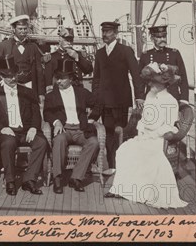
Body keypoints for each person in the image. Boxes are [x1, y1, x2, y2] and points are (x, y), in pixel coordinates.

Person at [104, 62, 188, 209]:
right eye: (150, 82)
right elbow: (144, 119)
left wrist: (154, 134)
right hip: (145, 136)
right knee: (124, 150)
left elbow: (169, 125)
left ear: (163, 84)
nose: (150, 85)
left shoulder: (170, 101)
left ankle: (146, 192)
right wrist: (142, 131)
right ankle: (125, 189)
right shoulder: (150, 96)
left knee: (148, 155)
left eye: (153, 83)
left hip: (160, 138)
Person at [0, 15, 46, 178]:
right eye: (20, 28)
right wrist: (1, 84)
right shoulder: (4, 45)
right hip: (8, 88)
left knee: (28, 123)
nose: (23, 31)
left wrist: (41, 93)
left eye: (25, 28)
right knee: (3, 124)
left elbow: (39, 71)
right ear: (14, 29)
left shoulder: (33, 47)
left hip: (27, 89)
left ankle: (27, 162)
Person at [0, 55, 48, 196]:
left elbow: (36, 113)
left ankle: (29, 180)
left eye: (14, 75)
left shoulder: (28, 92)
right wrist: (2, 128)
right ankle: (10, 181)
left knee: (41, 143)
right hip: (8, 132)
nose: (13, 79)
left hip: (26, 131)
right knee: (8, 143)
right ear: (2, 77)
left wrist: (33, 127)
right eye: (8, 76)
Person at [90, 21, 141, 176]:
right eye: (103, 31)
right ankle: (112, 165)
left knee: (120, 132)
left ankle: (122, 164)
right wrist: (95, 98)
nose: (105, 34)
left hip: (120, 101)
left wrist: (139, 96)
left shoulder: (125, 51)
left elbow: (136, 75)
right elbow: (96, 79)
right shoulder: (99, 53)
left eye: (109, 32)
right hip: (104, 103)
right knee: (109, 133)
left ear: (116, 33)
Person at [44, 59, 99, 194]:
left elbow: (98, 104)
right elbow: (47, 112)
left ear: (70, 78)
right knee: (59, 140)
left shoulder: (82, 92)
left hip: (80, 129)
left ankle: (76, 177)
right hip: (64, 129)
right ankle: (57, 178)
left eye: (62, 79)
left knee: (93, 142)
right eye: (58, 78)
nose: (59, 81)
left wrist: (91, 119)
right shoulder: (51, 96)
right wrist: (56, 122)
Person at [136, 25, 189, 108]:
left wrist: (184, 98)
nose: (162, 39)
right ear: (152, 38)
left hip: (172, 96)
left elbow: (183, 76)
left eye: (164, 36)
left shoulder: (174, 53)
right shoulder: (146, 55)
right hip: (152, 97)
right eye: (158, 37)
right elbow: (140, 79)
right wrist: (140, 97)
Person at [44, 27, 93, 91]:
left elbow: (89, 70)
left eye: (71, 40)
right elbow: (48, 82)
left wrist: (77, 57)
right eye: (66, 40)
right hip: (60, 92)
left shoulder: (78, 54)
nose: (69, 43)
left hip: (78, 92)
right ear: (60, 39)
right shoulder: (52, 57)